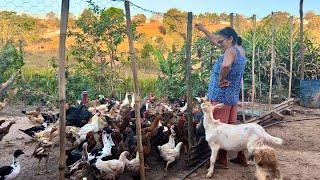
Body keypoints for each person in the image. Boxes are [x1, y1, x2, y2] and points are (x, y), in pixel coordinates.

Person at [195, 24, 248, 168]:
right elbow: (215, 39)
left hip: (221, 95)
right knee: (232, 127)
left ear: (230, 39)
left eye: (221, 42)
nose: (219, 44)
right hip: (232, 95)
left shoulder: (229, 51)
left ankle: (222, 159)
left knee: (220, 129)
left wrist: (221, 79)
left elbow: (225, 66)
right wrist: (204, 30)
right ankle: (241, 156)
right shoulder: (239, 49)